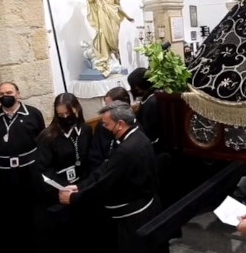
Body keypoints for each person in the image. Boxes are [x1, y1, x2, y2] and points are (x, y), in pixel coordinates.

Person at [59, 101, 166, 253]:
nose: (103, 127)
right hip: (145, 206)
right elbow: (106, 166)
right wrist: (80, 186)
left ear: (120, 124)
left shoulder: (127, 149)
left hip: (133, 217)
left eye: (107, 124)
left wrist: (73, 198)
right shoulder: (136, 134)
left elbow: (106, 184)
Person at [0, 82, 46, 253]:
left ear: (18, 94)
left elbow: (42, 138)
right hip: (1, 175)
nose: (5, 95)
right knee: (4, 215)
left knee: (32, 212)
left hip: (28, 172)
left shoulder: (33, 114)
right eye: (1, 93)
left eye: (9, 92)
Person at [36, 93, 93, 253]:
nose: (65, 117)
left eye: (68, 114)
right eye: (60, 115)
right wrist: (62, 189)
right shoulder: (48, 137)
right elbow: (42, 170)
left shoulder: (85, 130)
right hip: (59, 193)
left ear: (77, 110)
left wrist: (83, 185)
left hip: (82, 188)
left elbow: (90, 159)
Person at [86, 0, 135, 77]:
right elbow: (90, 0)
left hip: (114, 20)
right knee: (103, 37)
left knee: (114, 40)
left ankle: (113, 57)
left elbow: (118, 7)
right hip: (103, 20)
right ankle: (105, 59)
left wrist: (127, 16)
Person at [88, 87, 131, 170]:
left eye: (110, 106)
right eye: (106, 105)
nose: (106, 109)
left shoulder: (133, 125)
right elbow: (96, 155)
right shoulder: (102, 125)